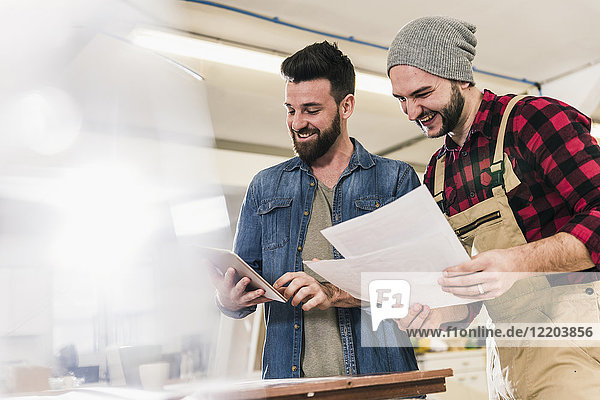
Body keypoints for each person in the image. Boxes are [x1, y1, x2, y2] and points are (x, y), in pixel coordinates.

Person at [386, 16, 600, 399]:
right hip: (506, 359)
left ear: (461, 77)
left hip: (577, 341)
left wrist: (517, 262)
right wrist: (439, 313)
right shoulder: (438, 172)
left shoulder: (532, 120)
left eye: (422, 93)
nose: (411, 112)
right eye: (401, 99)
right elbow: (468, 289)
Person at [212, 41, 421, 379]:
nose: (297, 123)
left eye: (311, 110)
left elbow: (417, 289)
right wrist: (228, 300)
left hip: (382, 385)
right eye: (290, 110)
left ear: (346, 106)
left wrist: (333, 292)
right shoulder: (265, 188)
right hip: (292, 388)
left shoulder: (396, 181)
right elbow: (241, 286)